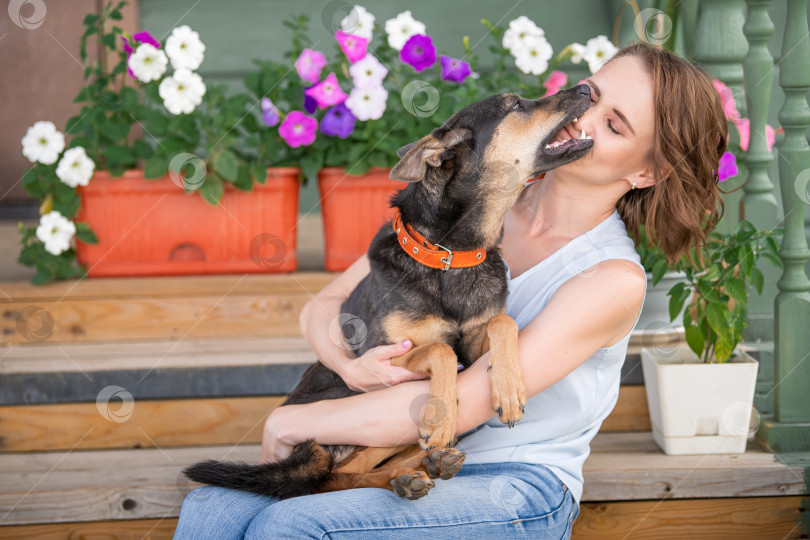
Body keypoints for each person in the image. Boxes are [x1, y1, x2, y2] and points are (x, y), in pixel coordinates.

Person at [174, 41, 727, 539]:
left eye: (615, 126)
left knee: (289, 528)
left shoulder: (610, 278)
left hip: (514, 487)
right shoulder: (470, 206)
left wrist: (292, 420)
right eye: (591, 95)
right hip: (396, 454)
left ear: (647, 173)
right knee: (211, 509)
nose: (579, 120)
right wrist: (348, 367)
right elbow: (323, 306)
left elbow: (460, 405)